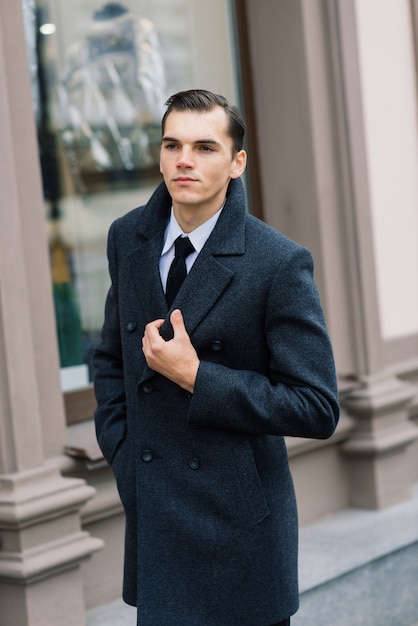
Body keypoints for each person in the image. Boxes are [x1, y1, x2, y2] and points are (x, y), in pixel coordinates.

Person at [93, 89, 339, 626]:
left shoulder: (277, 261)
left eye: (205, 146)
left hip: (239, 527)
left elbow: (317, 406)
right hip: (157, 515)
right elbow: (110, 356)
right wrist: (125, 454)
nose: (184, 160)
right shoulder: (127, 239)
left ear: (236, 162)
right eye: (172, 144)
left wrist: (198, 377)